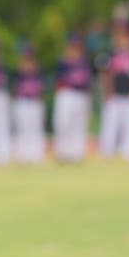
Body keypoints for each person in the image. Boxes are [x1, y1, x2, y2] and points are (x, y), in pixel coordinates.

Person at [99, 23, 129, 161]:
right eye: (120, 36)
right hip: (114, 95)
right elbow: (105, 75)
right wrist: (106, 93)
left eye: (125, 36)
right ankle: (107, 152)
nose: (123, 39)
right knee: (110, 125)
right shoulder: (110, 55)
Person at [53, 33, 92, 163]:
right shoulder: (63, 62)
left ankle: (76, 154)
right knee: (63, 123)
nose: (75, 48)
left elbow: (87, 81)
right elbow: (58, 81)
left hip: (81, 94)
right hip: (67, 94)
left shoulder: (84, 62)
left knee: (79, 125)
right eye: (73, 45)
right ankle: (62, 153)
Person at [12, 44, 45, 164]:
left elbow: (41, 87)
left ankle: (35, 154)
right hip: (23, 101)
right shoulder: (18, 69)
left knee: (35, 128)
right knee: (22, 127)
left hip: (34, 101)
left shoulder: (37, 69)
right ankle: (22, 154)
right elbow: (14, 88)